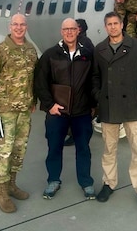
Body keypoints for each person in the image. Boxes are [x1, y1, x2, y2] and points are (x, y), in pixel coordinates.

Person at [92, 12, 137, 208]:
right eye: (109, 24)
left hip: (132, 107)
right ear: (106, 27)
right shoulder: (100, 49)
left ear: (122, 25)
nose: (112, 27)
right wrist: (98, 97)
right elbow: (94, 78)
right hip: (109, 108)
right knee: (109, 149)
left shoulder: (136, 47)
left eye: (115, 23)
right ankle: (109, 183)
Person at [34, 18, 96, 200]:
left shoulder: (87, 54)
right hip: (57, 112)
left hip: (82, 112)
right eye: (66, 29)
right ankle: (53, 180)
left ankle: (86, 182)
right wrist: (49, 105)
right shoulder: (50, 55)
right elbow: (40, 82)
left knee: (83, 148)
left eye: (73, 29)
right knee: (54, 147)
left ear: (78, 31)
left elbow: (94, 80)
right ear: (62, 32)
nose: (69, 32)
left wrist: (93, 105)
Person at [0, 13, 38, 213]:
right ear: (10, 26)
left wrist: (34, 99)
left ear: (26, 27)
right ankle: (1, 193)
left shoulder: (31, 50)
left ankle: (12, 185)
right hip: (4, 111)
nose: (19, 28)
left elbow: (33, 77)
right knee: (2, 152)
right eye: (15, 24)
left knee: (19, 150)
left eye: (22, 24)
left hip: (24, 110)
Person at [64, 18, 94, 147]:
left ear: (80, 29)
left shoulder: (83, 43)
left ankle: (74, 136)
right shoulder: (86, 41)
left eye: (75, 27)